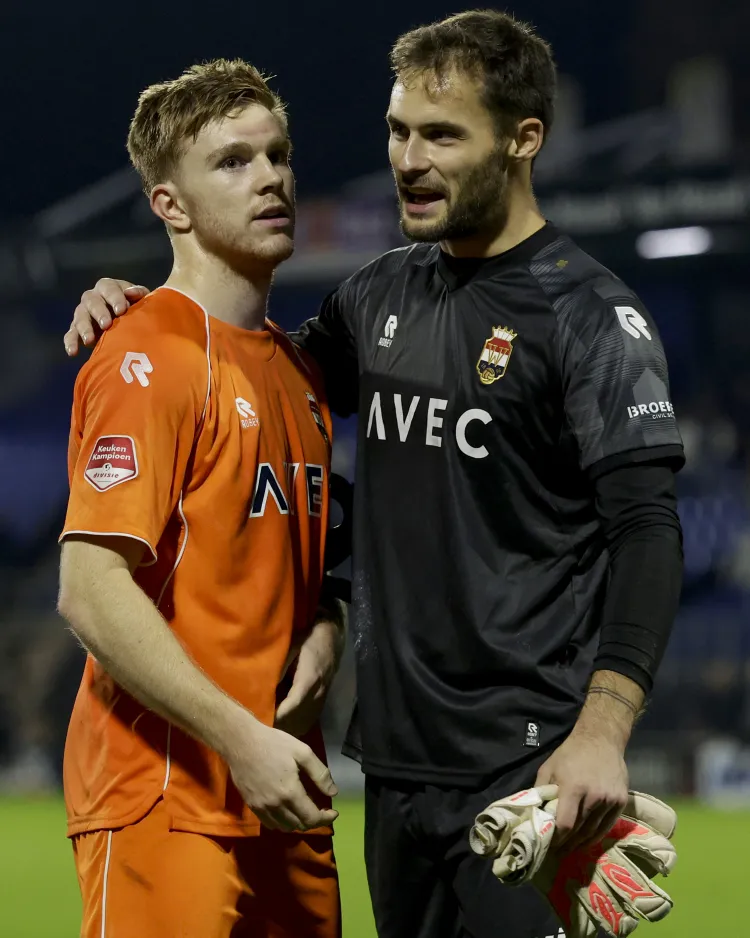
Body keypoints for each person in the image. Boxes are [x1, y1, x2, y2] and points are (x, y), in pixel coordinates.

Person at [65, 10, 684, 938]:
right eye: (398, 131)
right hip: (386, 774)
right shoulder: (374, 300)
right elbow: (278, 452)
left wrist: (602, 733)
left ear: (524, 140)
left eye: (442, 134)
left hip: (523, 770)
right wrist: (130, 303)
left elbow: (647, 529)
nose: (409, 158)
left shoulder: (591, 316)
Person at [57, 59, 346, 938]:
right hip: (165, 794)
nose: (270, 178)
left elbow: (307, 557)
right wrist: (240, 738)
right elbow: (90, 589)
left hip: (283, 794)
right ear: (169, 206)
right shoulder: (149, 357)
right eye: (231, 162)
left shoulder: (300, 374)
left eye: (278, 155)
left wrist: (329, 627)